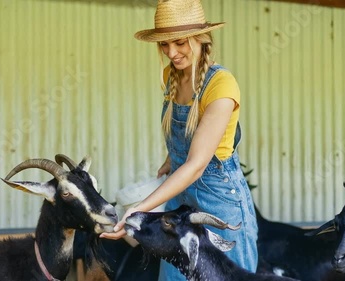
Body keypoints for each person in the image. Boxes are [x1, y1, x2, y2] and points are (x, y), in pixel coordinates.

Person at [100, 0, 259, 280]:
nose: (172, 53)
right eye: (164, 45)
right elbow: (187, 134)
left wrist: (140, 208)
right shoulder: (170, 76)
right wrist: (170, 159)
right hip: (180, 203)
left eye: (180, 42)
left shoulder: (221, 85)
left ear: (201, 37)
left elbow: (198, 163)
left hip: (220, 204)